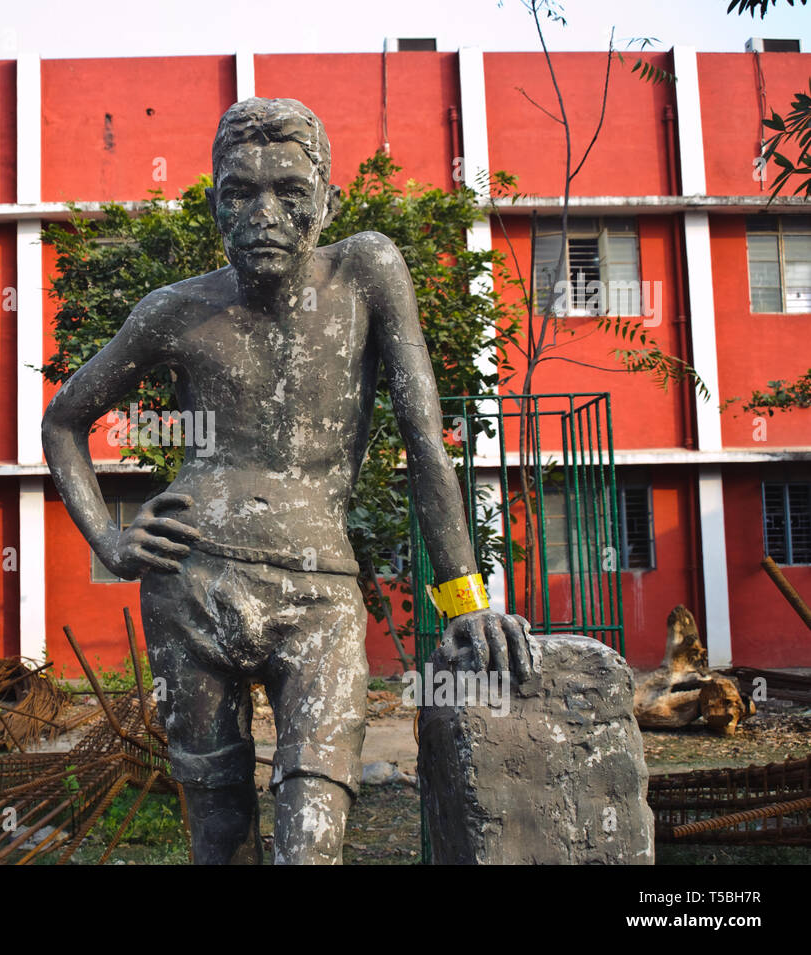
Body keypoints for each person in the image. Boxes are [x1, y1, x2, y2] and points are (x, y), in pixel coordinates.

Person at [42, 97, 535, 864]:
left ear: (327, 201)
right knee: (219, 833)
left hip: (321, 597)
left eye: (289, 191)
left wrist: (466, 600)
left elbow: (423, 441)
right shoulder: (173, 310)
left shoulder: (367, 270)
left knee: (312, 837)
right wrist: (110, 538)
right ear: (215, 205)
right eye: (241, 192)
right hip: (189, 586)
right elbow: (62, 421)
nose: (264, 213)